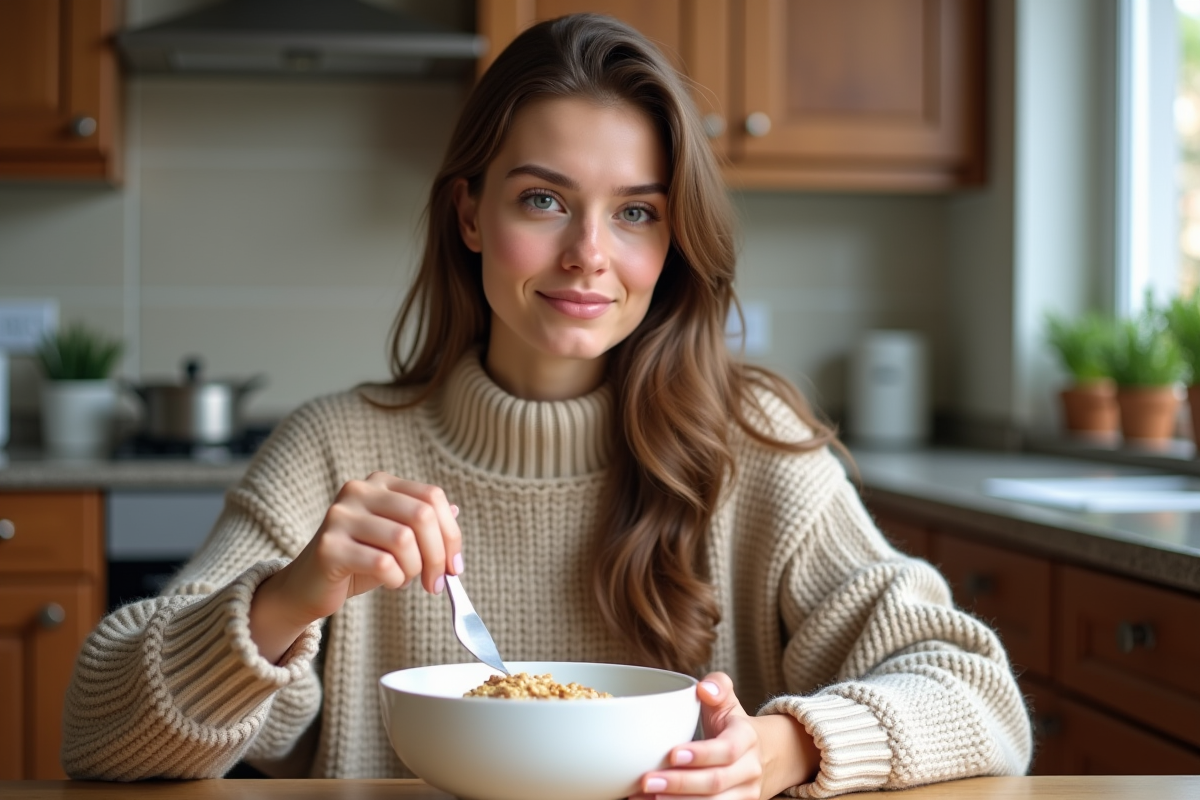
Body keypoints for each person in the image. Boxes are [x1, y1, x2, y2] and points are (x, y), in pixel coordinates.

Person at [62, 13, 1032, 798]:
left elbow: (979, 693)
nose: (589, 256)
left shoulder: (758, 454)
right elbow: (95, 728)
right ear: (471, 214)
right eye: (544, 199)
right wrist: (284, 603)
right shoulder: (334, 449)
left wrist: (784, 746)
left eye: (637, 212)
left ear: (674, 240)